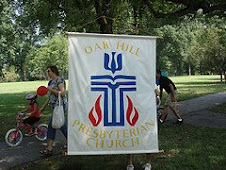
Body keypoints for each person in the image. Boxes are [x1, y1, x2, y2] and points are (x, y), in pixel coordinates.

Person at [40, 65, 67, 156]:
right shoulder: (50, 82)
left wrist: (51, 89)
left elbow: (62, 93)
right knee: (61, 126)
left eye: (49, 71)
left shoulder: (59, 80)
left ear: (53, 71)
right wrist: (42, 108)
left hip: (60, 106)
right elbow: (49, 97)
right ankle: (72, 142)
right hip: (54, 107)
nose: (48, 73)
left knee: (52, 126)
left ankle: (49, 149)